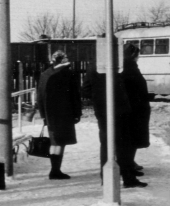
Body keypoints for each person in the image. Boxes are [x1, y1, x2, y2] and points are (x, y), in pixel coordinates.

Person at [83, 59, 147, 188]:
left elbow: (85, 90)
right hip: (121, 110)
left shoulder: (93, 66)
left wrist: (99, 98)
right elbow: (134, 87)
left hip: (102, 111)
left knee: (106, 144)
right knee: (124, 146)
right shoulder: (120, 64)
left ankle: (106, 179)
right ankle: (128, 178)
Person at [36, 51, 82, 180]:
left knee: (55, 142)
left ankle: (55, 169)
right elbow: (75, 95)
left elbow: (39, 96)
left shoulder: (45, 74)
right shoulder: (69, 74)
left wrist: (43, 115)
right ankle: (55, 170)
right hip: (65, 114)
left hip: (50, 115)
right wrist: (77, 114)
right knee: (60, 142)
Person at [120, 44, 151, 175]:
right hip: (134, 108)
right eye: (137, 55)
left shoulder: (125, 66)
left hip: (133, 107)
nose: (138, 58)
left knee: (130, 138)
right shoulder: (130, 67)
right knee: (132, 138)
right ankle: (128, 164)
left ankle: (129, 163)